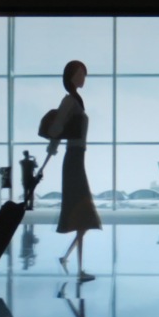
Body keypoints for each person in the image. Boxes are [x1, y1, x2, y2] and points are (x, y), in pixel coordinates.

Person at [47, 60, 102, 282]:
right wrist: (52, 147)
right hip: (73, 160)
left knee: (84, 216)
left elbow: (62, 128)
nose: (83, 78)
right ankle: (78, 269)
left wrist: (54, 145)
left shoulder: (77, 102)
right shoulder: (69, 101)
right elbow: (58, 126)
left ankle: (67, 258)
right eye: (80, 74)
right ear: (70, 77)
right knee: (82, 214)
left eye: (84, 74)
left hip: (77, 159)